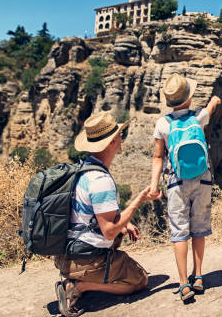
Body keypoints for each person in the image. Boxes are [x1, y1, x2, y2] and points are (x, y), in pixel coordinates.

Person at [54, 112, 162, 317]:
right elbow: (110, 232)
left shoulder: (83, 169)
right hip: (85, 258)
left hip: (67, 253)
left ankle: (83, 275)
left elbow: (92, 213)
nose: (122, 137)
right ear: (112, 142)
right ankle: (79, 286)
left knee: (122, 228)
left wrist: (125, 223)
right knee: (140, 281)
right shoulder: (100, 181)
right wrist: (138, 201)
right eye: (119, 134)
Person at [149, 73, 221, 301]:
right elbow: (211, 107)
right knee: (199, 228)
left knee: (180, 231)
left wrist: (153, 186)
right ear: (189, 99)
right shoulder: (199, 116)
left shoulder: (162, 123)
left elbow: (158, 157)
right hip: (203, 179)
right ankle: (198, 276)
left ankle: (183, 284)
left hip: (176, 182)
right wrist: (215, 100)